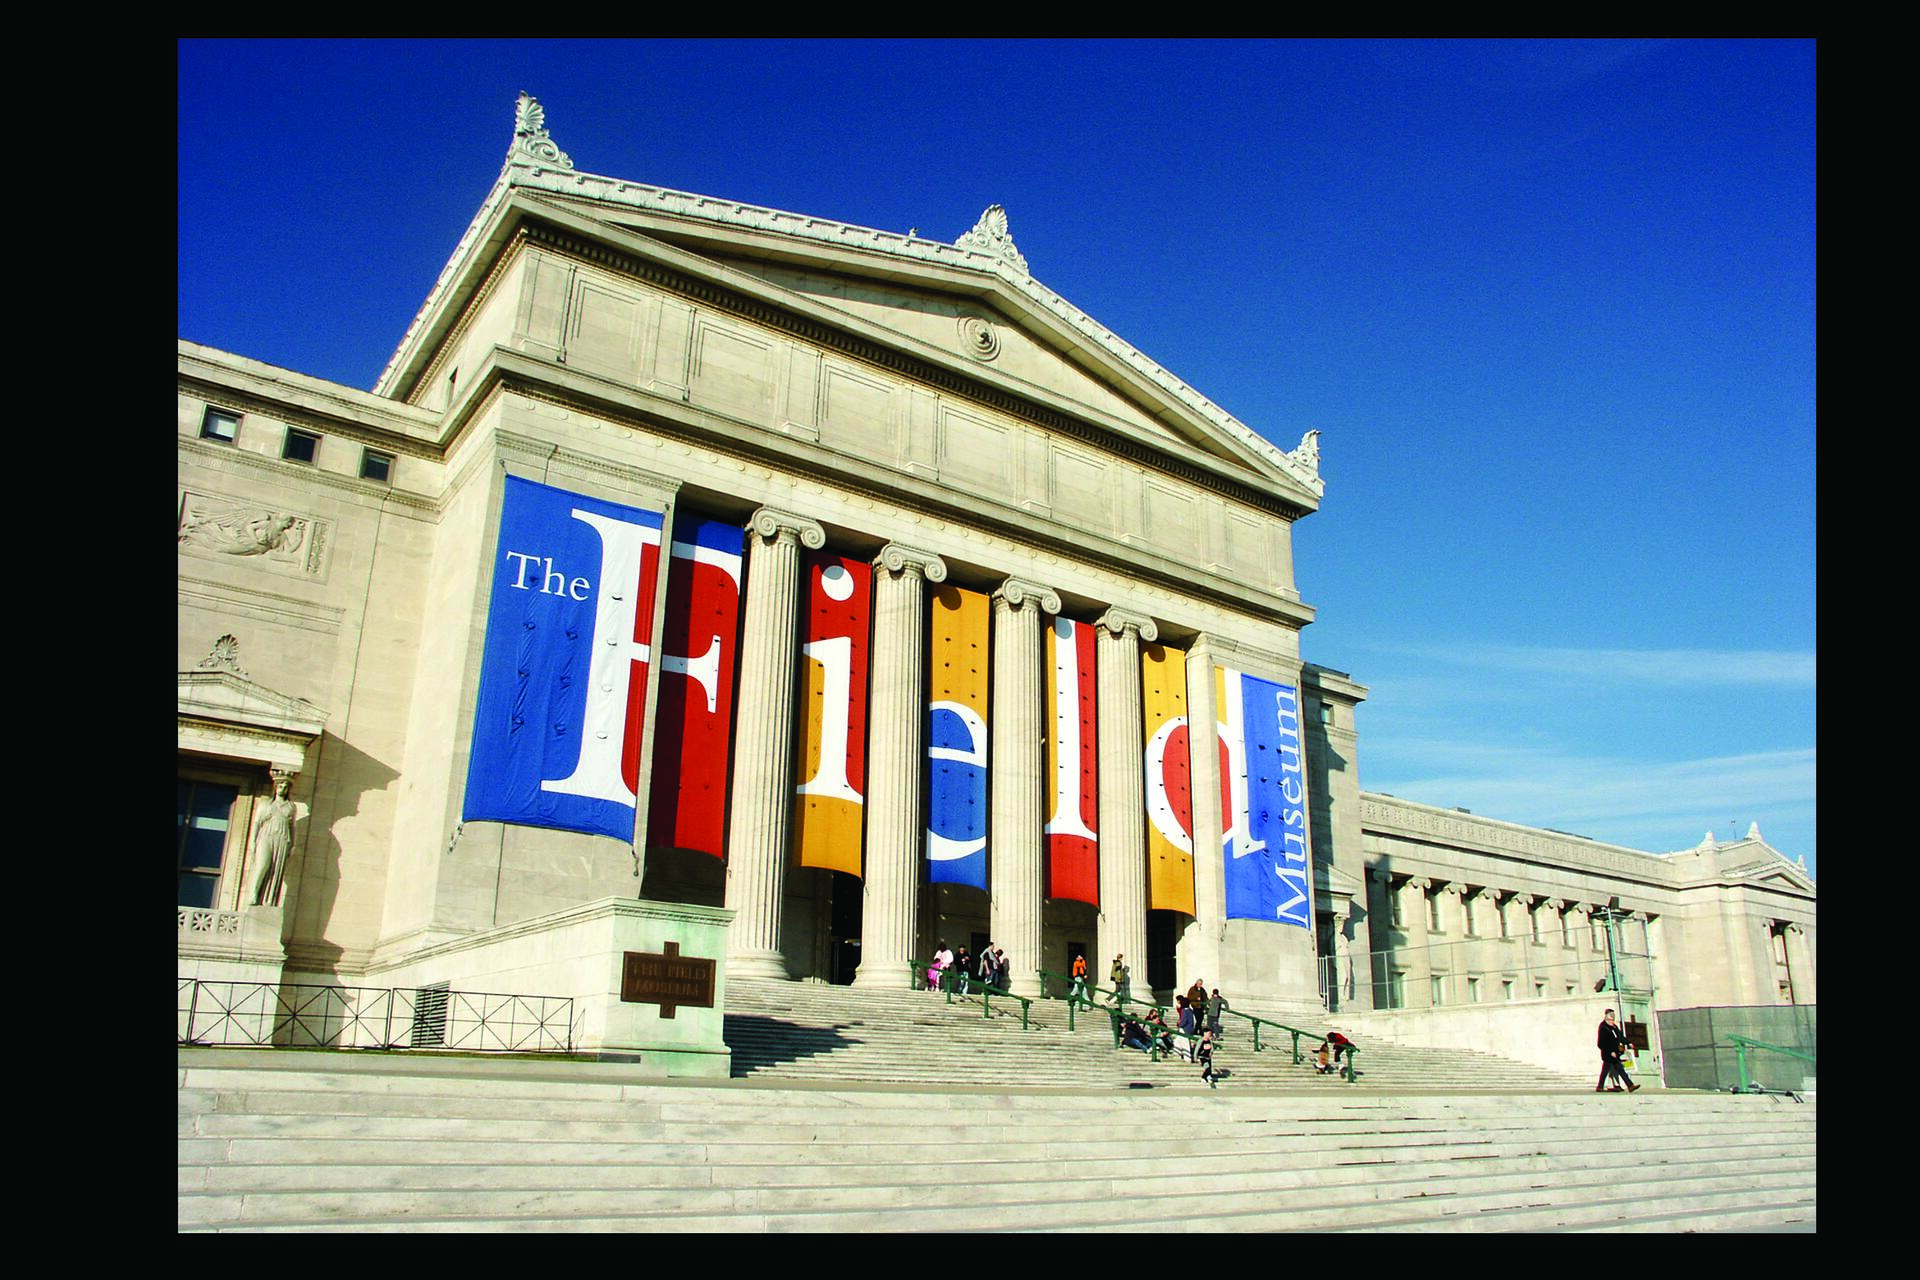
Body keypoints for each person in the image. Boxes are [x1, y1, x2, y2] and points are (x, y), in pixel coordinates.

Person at [251, 774, 298, 907]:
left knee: (276, 870)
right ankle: (254, 893)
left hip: (282, 838)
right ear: (276, 787)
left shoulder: (291, 806)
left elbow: (292, 826)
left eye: (285, 787)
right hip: (266, 835)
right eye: (280, 786)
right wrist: (253, 842)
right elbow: (256, 823)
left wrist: (293, 844)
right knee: (263, 864)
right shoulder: (266, 804)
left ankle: (269, 900)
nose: (282, 789)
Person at [1596, 1009, 1640, 1093]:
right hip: (1608, 1054)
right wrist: (1610, 1051)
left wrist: (1628, 1042)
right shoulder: (1603, 1028)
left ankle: (1600, 1086)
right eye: (1610, 1016)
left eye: (1613, 1016)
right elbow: (1601, 1043)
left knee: (1609, 1070)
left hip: (1615, 1053)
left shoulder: (1614, 1027)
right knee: (1616, 1070)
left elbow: (1620, 1037)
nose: (1612, 1018)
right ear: (1606, 1017)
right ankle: (1630, 1085)